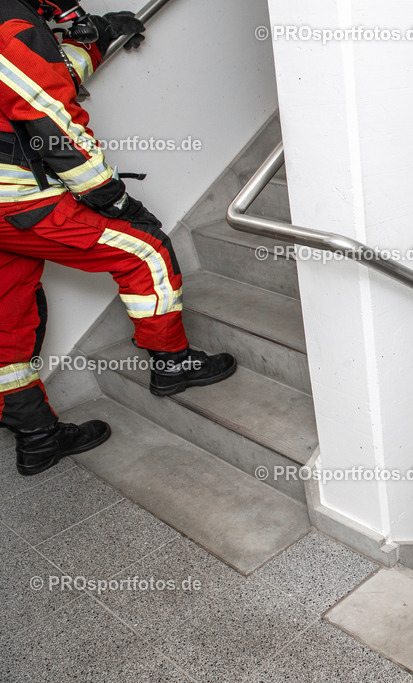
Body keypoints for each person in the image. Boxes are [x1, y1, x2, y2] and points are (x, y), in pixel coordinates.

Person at [0, 0, 235, 476]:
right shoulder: (8, 24)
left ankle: (37, 437)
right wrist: (111, 197)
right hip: (15, 202)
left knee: (7, 317)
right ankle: (172, 363)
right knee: (145, 251)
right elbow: (48, 117)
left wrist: (101, 38)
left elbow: (43, 76)